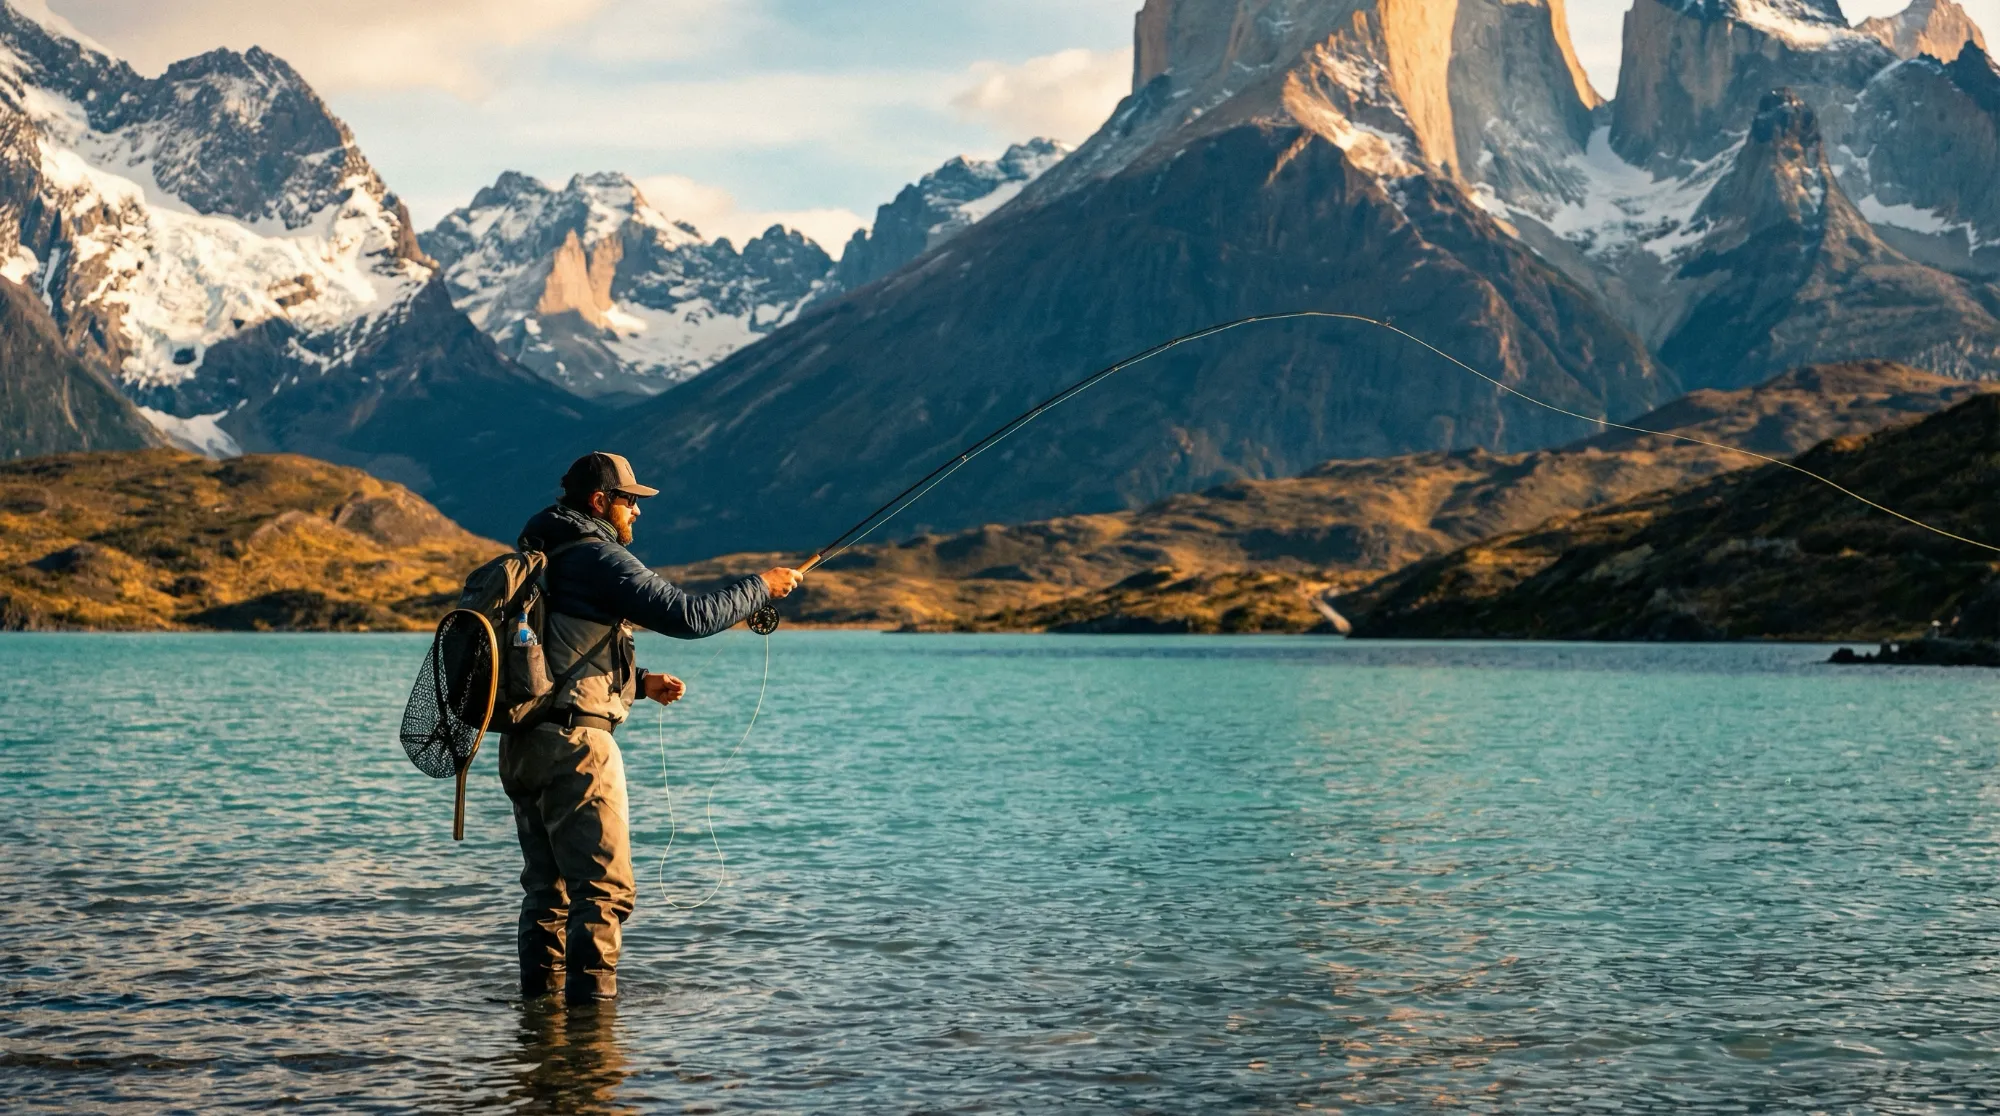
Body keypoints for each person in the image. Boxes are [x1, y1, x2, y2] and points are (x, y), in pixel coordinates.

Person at [503, 451, 803, 1004]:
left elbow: (552, 652)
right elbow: (689, 616)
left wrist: (637, 682)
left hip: (524, 744)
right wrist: (762, 585)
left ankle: (541, 1029)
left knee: (548, 896)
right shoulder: (596, 556)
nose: (637, 512)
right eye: (630, 500)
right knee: (603, 893)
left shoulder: (542, 556)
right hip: (577, 750)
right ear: (600, 502)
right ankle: (593, 1038)